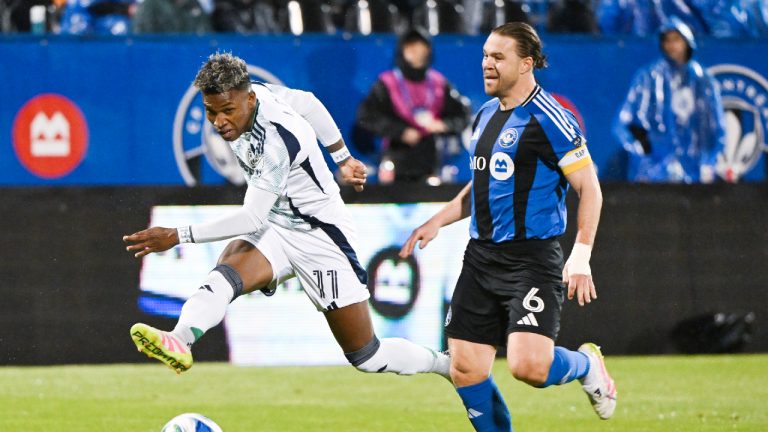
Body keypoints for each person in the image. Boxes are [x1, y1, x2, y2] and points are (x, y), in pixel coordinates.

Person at [123, 52, 451, 382]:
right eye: (211, 111)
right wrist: (342, 156)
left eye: (227, 110)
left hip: (321, 238)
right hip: (278, 225)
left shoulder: (277, 142)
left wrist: (178, 235)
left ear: (248, 99)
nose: (219, 121)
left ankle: (445, 364)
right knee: (224, 274)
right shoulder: (260, 93)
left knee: (367, 355)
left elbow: (251, 218)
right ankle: (180, 340)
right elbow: (308, 103)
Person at [399, 22, 616, 431]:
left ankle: (587, 365)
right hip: (481, 258)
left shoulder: (551, 118)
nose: (487, 64)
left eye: (498, 57)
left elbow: (590, 188)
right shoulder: (484, 116)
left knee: (529, 367)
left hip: (530, 260)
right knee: (465, 368)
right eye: (485, 55)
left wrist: (581, 255)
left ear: (527, 63)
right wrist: (438, 220)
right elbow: (483, 183)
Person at [613, 17, 727, 183]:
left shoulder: (703, 80)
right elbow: (621, 124)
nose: (671, 45)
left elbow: (717, 128)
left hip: (696, 177)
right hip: (652, 175)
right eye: (667, 40)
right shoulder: (648, 77)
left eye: (676, 39)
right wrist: (642, 153)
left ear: (687, 42)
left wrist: (709, 163)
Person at [355, 27, 470, 183]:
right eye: (411, 48)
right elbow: (366, 117)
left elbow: (463, 115)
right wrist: (400, 131)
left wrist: (444, 125)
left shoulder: (439, 83)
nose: (416, 53)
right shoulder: (386, 84)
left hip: (432, 162)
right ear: (402, 50)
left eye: (421, 48)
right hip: (395, 159)